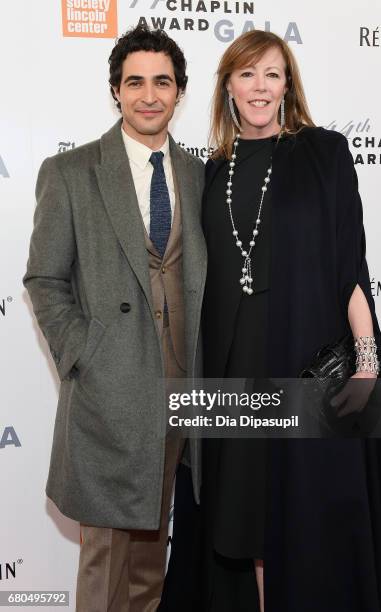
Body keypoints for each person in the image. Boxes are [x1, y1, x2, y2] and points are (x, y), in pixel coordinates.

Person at [200, 29, 381, 612]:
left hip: (307, 361)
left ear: (288, 83)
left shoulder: (325, 153)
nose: (259, 86)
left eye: (272, 73)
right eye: (247, 74)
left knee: (312, 519)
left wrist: (367, 365)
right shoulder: (213, 172)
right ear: (228, 87)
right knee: (254, 525)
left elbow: (351, 266)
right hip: (234, 372)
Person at [23, 26, 206, 612]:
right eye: (135, 82)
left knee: (153, 550)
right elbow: (45, 279)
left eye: (162, 82)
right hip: (108, 389)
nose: (149, 95)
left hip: (183, 389)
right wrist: (85, 352)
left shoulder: (201, 176)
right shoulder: (71, 171)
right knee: (104, 555)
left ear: (180, 92)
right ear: (115, 91)